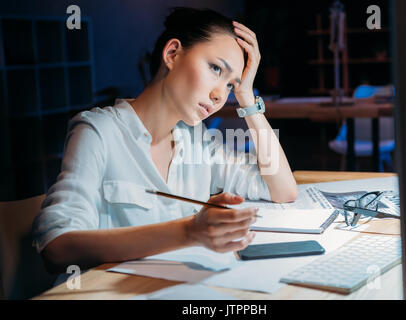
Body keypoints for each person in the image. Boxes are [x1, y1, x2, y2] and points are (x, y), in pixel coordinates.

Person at [32, 7, 298, 273]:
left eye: (230, 85)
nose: (220, 95)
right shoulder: (98, 131)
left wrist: (247, 99)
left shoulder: (197, 141)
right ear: (172, 53)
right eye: (216, 68)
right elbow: (57, 247)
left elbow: (282, 190)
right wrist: (188, 232)